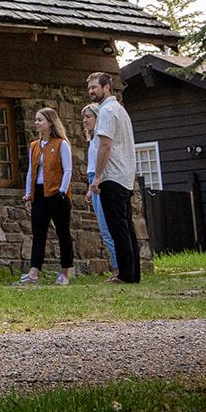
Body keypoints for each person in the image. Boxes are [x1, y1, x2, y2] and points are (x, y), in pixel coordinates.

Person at [87, 72, 141, 283]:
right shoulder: (120, 110)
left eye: (95, 87)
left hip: (113, 176)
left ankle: (125, 275)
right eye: (90, 88)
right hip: (125, 175)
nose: (91, 91)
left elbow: (106, 145)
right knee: (126, 226)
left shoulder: (107, 111)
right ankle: (133, 274)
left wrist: (98, 177)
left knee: (118, 228)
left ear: (106, 87)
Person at [16, 107, 75, 285]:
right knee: (38, 233)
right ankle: (33, 272)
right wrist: (28, 193)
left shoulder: (60, 144)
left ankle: (65, 273)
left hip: (57, 193)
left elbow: (68, 169)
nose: (36, 123)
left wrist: (63, 191)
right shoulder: (34, 146)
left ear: (50, 122)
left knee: (63, 232)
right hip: (39, 193)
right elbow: (30, 172)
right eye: (35, 120)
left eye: (40, 120)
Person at [82, 102, 120, 282]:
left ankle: (118, 269)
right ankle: (117, 268)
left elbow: (104, 159)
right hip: (94, 180)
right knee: (104, 230)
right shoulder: (93, 139)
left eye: (88, 117)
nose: (85, 120)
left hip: (101, 180)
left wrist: (97, 180)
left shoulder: (101, 136)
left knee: (107, 229)